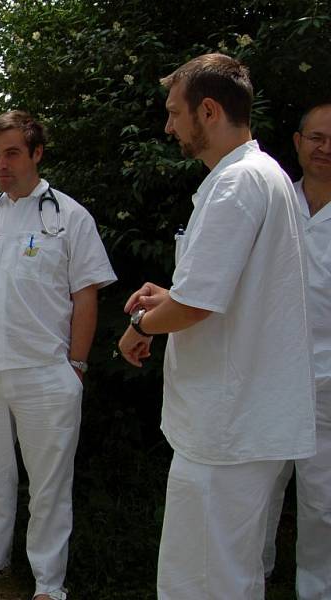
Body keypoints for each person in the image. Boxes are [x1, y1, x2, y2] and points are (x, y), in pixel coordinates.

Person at [117, 54, 316, 599]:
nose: (168, 126)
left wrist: (141, 321)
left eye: (174, 112)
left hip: (227, 426)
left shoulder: (237, 185)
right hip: (242, 421)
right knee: (230, 574)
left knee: (201, 580)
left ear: (208, 110)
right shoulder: (262, 176)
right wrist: (170, 298)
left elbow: (196, 307)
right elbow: (222, 292)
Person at [0, 111, 116, 600]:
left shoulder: (68, 215)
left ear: (37, 153)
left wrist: (76, 366)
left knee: (49, 487)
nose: (1, 165)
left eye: (12, 153)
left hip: (47, 372)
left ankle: (48, 582)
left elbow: (86, 296)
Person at [263, 100, 331, 598]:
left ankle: (317, 590)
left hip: (328, 381)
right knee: (256, 493)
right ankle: (247, 580)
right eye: (317, 138)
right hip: (265, 376)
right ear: (298, 143)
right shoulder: (270, 200)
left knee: (323, 502)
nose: (325, 149)